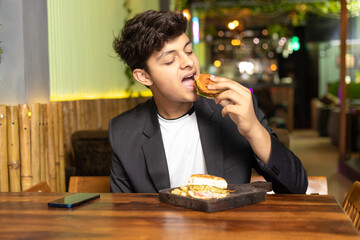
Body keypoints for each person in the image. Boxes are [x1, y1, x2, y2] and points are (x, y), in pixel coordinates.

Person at [110, 10, 308, 194]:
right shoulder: (123, 131)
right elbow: (123, 213)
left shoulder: (234, 110)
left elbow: (296, 187)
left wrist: (253, 129)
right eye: (170, 60)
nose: (188, 63)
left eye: (188, 51)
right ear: (144, 77)